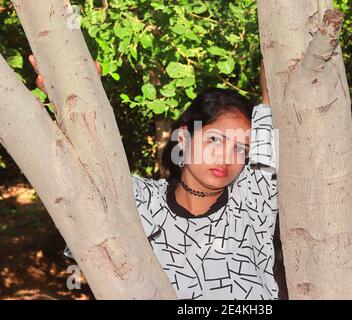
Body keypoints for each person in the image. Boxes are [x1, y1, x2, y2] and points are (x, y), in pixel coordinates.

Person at [31, 55, 279, 300]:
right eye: (214, 139)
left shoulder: (252, 198)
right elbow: (82, 174)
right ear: (183, 139)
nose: (226, 157)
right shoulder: (139, 199)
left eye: (241, 148)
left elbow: (271, 97)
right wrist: (73, 93)